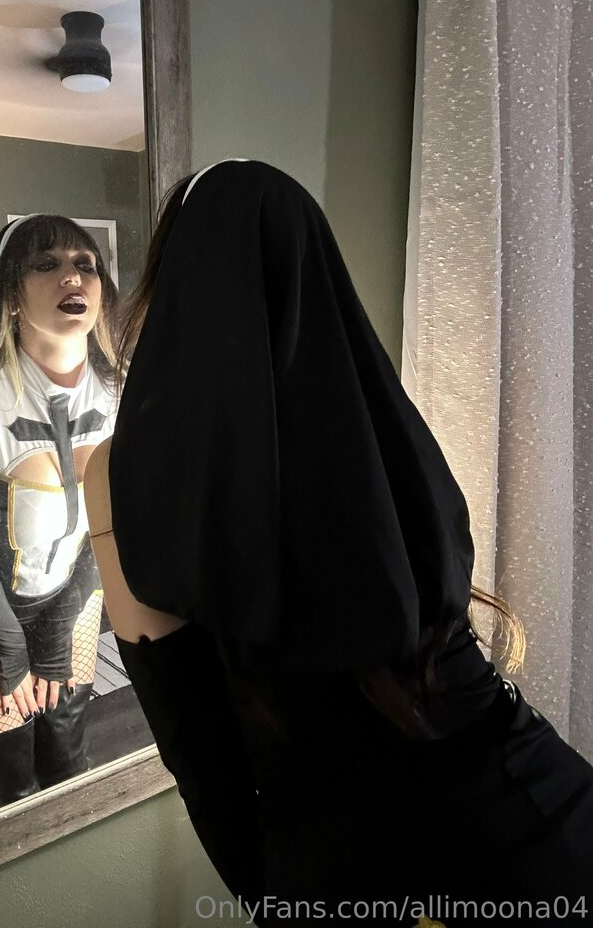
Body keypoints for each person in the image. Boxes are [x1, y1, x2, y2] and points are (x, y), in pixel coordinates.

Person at [84, 160, 593, 927]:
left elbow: (198, 747)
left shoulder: (126, 472)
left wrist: (280, 900)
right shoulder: (386, 432)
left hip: (346, 864)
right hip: (541, 813)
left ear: (171, 294)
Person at [0, 213, 120, 813]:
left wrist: (57, 628)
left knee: (69, 757)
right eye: (46, 264)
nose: (72, 276)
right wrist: (11, 647)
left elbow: (118, 522)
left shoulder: (121, 391)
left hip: (73, 598)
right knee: (9, 788)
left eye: (84, 264)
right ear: (12, 294)